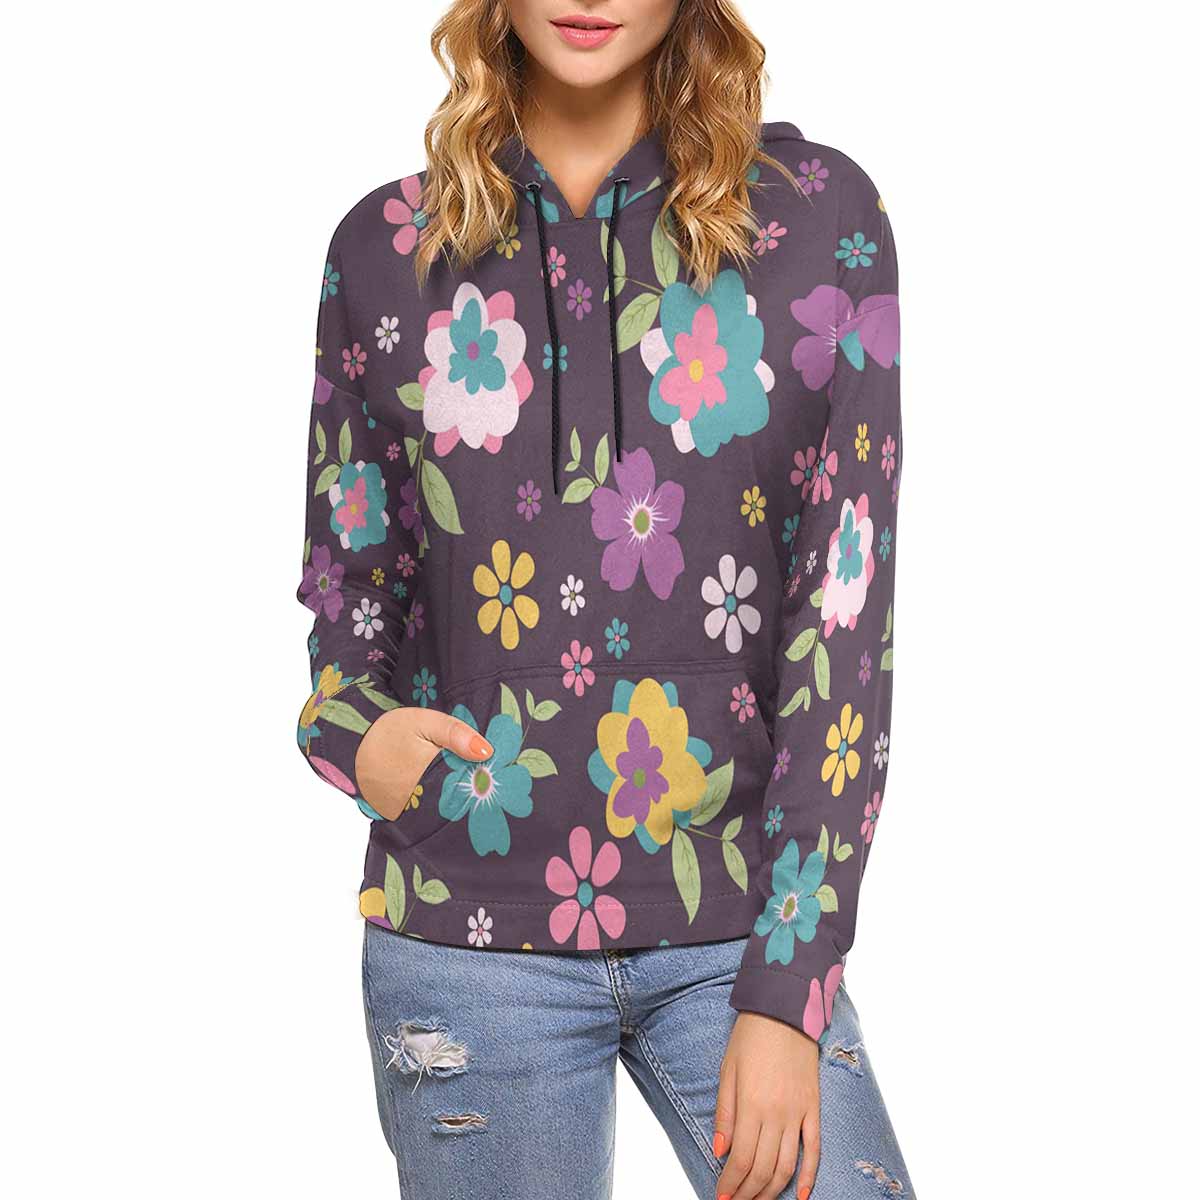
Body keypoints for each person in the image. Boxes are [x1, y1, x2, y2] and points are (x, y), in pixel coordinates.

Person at [295, 3, 912, 1197]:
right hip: (465, 934)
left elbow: (843, 615)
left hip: (738, 924)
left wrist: (788, 985)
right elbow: (348, 582)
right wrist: (352, 737)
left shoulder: (818, 218)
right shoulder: (382, 250)